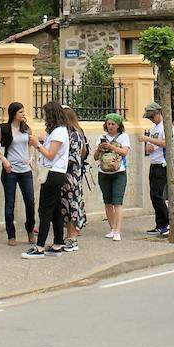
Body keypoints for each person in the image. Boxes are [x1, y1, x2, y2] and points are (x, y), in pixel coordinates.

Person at [23, 101, 70, 258]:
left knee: (45, 210)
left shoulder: (59, 132)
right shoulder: (59, 131)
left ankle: (40, 247)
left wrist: (37, 145)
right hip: (55, 172)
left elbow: (50, 154)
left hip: (53, 173)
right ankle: (58, 244)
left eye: (45, 114)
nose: (44, 117)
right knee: (56, 209)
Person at [0, 102, 36, 245]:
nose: (24, 115)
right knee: (10, 203)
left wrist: (31, 157)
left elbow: (31, 143)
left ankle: (30, 229)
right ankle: (11, 234)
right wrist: (4, 160)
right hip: (10, 170)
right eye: (21, 112)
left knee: (30, 202)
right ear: (13, 114)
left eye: (24, 112)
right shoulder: (3, 129)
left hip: (26, 171)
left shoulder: (26, 129)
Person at [94, 113, 129, 241]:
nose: (110, 126)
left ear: (118, 125)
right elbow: (95, 157)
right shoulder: (101, 137)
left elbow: (124, 152)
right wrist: (99, 148)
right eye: (108, 124)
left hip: (118, 172)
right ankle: (112, 228)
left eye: (113, 124)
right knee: (107, 202)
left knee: (117, 202)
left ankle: (118, 231)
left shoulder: (124, 137)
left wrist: (111, 147)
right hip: (103, 173)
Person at [61, 106, 90, 250]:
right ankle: (69, 236)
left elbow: (72, 157)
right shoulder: (78, 133)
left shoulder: (72, 135)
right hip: (74, 175)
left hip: (69, 176)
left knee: (70, 205)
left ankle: (72, 238)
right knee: (68, 205)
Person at [138, 104, 170, 236]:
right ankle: (160, 224)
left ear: (158, 113)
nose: (151, 119)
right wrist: (148, 146)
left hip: (162, 164)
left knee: (158, 195)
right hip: (154, 163)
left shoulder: (166, 127)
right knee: (153, 196)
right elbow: (150, 146)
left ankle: (166, 223)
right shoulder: (153, 128)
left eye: (152, 116)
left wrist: (148, 139)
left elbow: (166, 143)